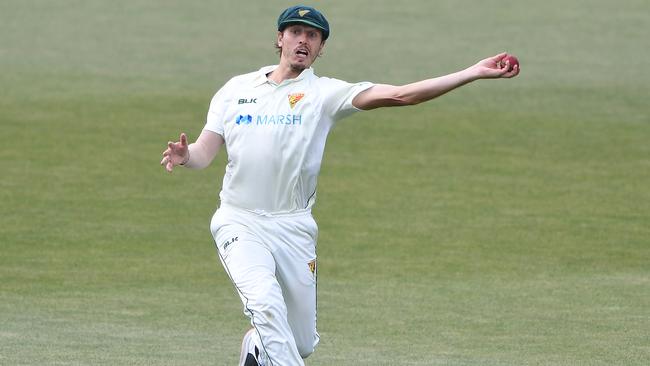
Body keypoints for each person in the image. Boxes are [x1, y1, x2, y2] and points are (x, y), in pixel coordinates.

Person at [160, 5, 519, 366]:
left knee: (298, 342)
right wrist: (185, 155)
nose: (303, 40)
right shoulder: (235, 89)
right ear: (279, 38)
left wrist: (472, 72)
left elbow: (402, 94)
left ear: (321, 48)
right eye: (296, 32)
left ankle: (257, 347)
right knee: (266, 305)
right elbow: (205, 152)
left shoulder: (324, 95)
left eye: (313, 36)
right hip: (239, 221)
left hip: (293, 227)